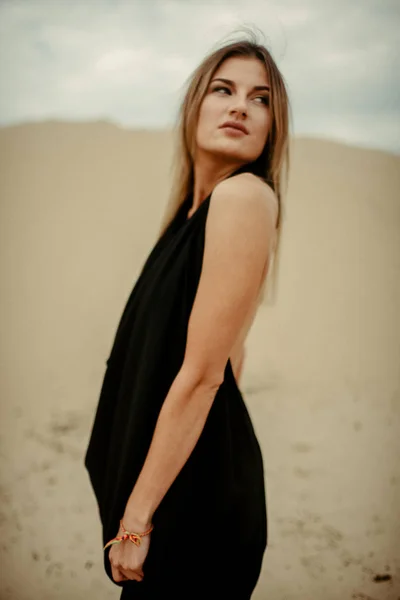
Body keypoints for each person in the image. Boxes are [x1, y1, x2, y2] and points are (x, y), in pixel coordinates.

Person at [84, 31, 290, 600]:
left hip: (185, 505)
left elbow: (205, 375)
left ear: (273, 125)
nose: (241, 106)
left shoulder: (242, 198)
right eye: (224, 89)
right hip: (182, 485)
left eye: (262, 98)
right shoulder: (191, 214)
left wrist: (138, 516)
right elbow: (236, 351)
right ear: (195, 105)